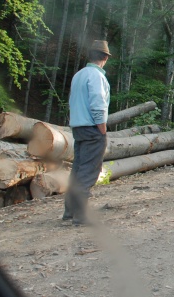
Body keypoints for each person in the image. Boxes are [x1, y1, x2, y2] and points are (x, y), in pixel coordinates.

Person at [63, 40, 111, 226]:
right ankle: (81, 215)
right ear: (105, 57)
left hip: (78, 127)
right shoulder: (96, 77)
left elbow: (72, 101)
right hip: (92, 128)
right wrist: (102, 128)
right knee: (89, 170)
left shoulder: (79, 75)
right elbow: (98, 103)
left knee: (77, 169)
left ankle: (69, 210)